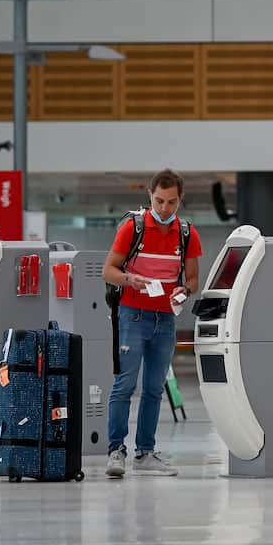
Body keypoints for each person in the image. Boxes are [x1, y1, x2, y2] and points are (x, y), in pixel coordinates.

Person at [101, 169, 202, 478]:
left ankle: (145, 453)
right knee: (125, 384)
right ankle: (116, 450)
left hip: (166, 318)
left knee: (154, 388)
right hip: (132, 315)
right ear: (149, 195)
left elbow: (193, 278)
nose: (164, 209)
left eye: (171, 202)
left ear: (180, 200)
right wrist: (131, 279)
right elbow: (108, 270)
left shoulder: (186, 233)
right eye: (159, 201)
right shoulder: (133, 227)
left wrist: (185, 290)